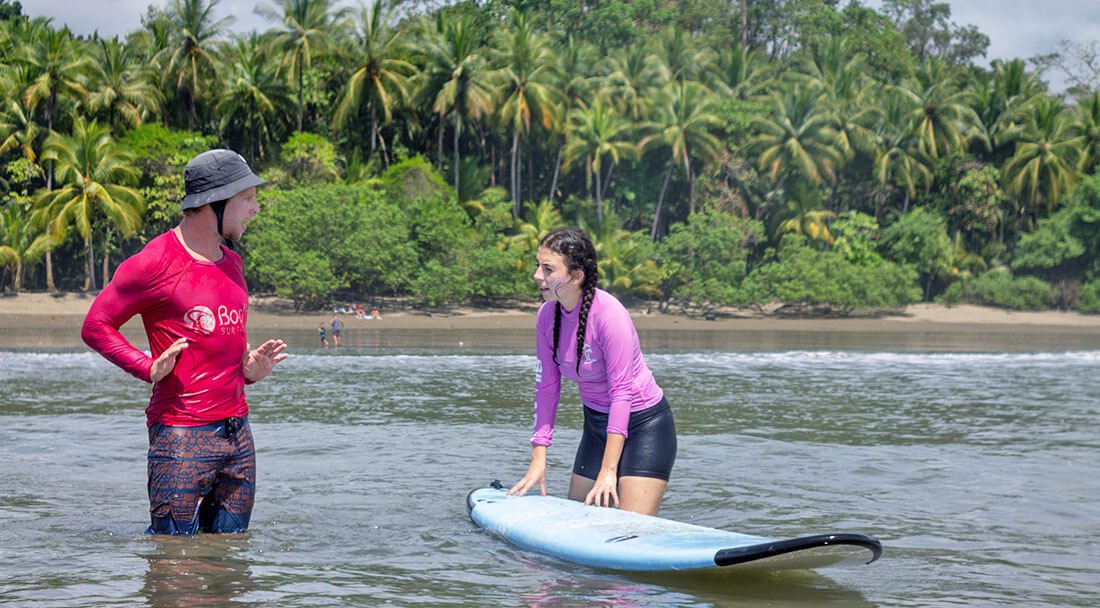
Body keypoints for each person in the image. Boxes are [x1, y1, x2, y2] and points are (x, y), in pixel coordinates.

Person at [81, 149, 288, 535]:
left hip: (238, 435)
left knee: (230, 562)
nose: (255, 209)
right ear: (215, 202)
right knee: (174, 566)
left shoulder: (233, 263)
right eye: (248, 198)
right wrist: (147, 367)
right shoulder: (154, 263)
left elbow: (220, 338)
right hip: (181, 438)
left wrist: (249, 370)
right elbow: (96, 325)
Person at [508, 227, 676, 515]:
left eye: (548, 269)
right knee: (578, 521)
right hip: (598, 428)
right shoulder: (547, 316)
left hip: (644, 426)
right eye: (538, 265)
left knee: (630, 532)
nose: (537, 276)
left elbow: (621, 392)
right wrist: (539, 458)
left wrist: (609, 471)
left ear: (576, 275)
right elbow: (547, 388)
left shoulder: (610, 315)